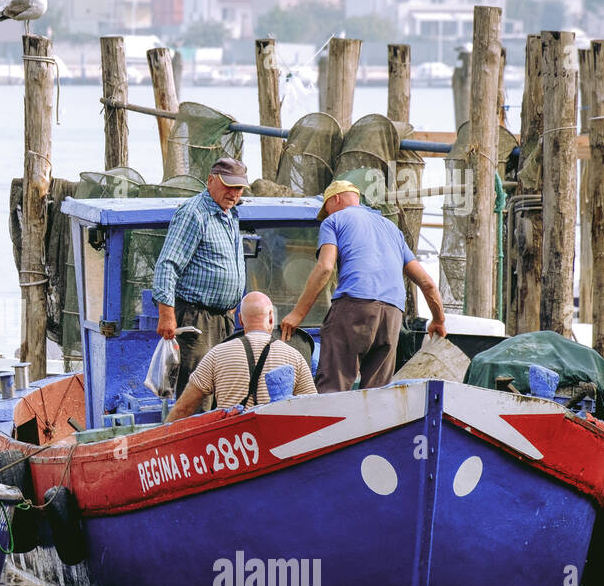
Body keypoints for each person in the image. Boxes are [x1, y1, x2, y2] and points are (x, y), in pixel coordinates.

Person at [280, 180, 447, 393]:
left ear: (336, 199)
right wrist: (439, 320)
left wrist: (297, 314)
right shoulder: (391, 229)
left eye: (326, 210)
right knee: (378, 395)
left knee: (334, 389)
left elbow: (325, 268)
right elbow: (427, 283)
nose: (327, 215)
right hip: (392, 315)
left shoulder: (334, 221)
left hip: (354, 308)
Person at [152, 157, 249, 398]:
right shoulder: (194, 213)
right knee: (198, 393)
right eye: (228, 186)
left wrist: (233, 305)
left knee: (221, 390)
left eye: (239, 188)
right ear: (210, 181)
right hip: (197, 320)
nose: (234, 193)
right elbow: (167, 265)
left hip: (224, 320)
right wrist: (167, 315)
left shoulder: (230, 214)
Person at [168, 292, 316, 419]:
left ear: (240, 319)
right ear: (271, 318)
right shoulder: (294, 356)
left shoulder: (216, 354)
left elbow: (183, 409)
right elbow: (314, 408)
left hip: (232, 447)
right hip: (277, 443)